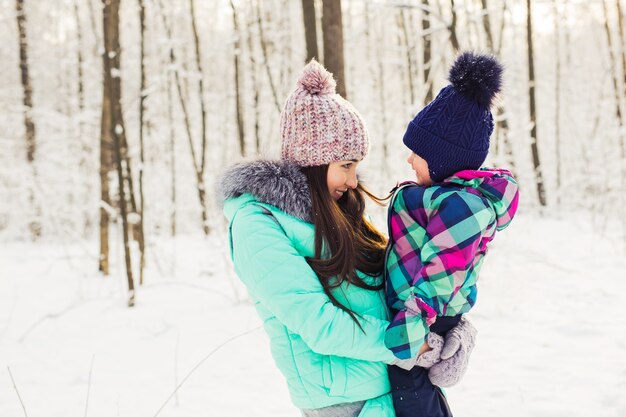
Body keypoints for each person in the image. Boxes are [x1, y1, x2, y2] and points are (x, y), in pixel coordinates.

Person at [219, 59, 474, 417]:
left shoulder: (338, 209)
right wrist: (413, 346)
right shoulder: (256, 224)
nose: (354, 181)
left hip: (400, 386)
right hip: (348, 404)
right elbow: (320, 324)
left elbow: (398, 288)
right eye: (346, 166)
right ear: (314, 161)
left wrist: (452, 331)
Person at [383, 52, 520, 417]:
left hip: (422, 315)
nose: (410, 160)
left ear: (444, 159)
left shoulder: (461, 209)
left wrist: (410, 331)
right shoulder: (446, 200)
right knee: (413, 391)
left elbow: (441, 274)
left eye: (418, 153)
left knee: (411, 391)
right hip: (422, 311)